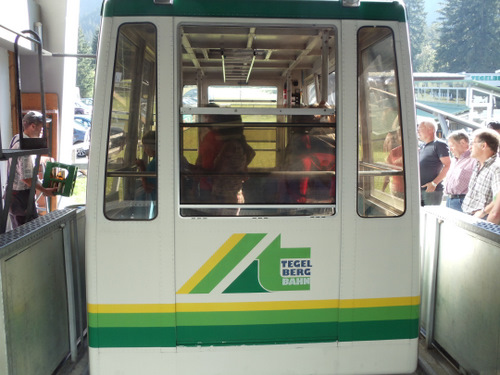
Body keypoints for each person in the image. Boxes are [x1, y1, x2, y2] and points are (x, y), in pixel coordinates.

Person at [8, 111, 57, 228]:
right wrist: (45, 190)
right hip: (21, 198)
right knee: (27, 235)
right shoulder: (24, 147)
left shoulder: (17, 138)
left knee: (19, 232)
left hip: (15, 196)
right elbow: (27, 178)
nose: (43, 131)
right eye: (41, 127)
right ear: (32, 126)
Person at [461, 129, 500, 218]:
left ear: (483, 146)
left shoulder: (496, 168)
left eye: (472, 143)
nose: (470, 147)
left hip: (482, 220)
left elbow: (498, 198)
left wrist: (483, 212)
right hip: (469, 216)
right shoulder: (478, 164)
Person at [417, 120, 451, 206]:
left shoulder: (439, 144)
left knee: (429, 218)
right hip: (420, 190)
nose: (418, 131)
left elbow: (448, 165)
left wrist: (434, 183)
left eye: (420, 128)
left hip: (431, 191)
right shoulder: (422, 146)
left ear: (431, 130)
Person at [444, 130, 476, 211]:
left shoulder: (474, 159)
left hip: (463, 202)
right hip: (449, 200)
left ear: (463, 142)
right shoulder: (454, 160)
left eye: (452, 146)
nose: (450, 149)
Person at [136, 130, 157, 200]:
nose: (145, 150)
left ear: (152, 146)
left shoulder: (154, 164)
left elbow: (147, 188)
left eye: (145, 147)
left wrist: (141, 167)